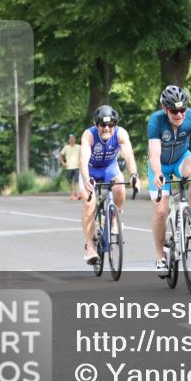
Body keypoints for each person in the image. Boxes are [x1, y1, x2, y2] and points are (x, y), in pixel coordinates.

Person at [147, 85, 191, 276]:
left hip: (180, 159)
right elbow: (154, 152)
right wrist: (158, 172)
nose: (179, 115)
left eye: (182, 110)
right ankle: (160, 256)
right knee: (161, 211)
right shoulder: (155, 121)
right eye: (174, 111)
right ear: (164, 108)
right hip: (160, 165)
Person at [79, 105, 139, 264]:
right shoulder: (89, 135)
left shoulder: (121, 134)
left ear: (115, 124)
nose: (107, 128)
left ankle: (113, 219)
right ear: (96, 124)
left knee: (119, 186)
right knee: (89, 203)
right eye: (102, 124)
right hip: (90, 171)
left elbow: (128, 156)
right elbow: (83, 160)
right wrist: (86, 178)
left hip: (109, 168)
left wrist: (134, 175)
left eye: (111, 124)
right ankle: (90, 248)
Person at [59, 133, 81, 200]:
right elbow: (60, 154)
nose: (72, 140)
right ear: (69, 140)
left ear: (75, 139)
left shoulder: (78, 147)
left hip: (77, 166)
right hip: (69, 167)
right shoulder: (66, 147)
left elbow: (82, 154)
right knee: (70, 182)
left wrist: (81, 162)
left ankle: (78, 194)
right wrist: (63, 162)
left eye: (73, 139)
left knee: (77, 181)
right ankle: (72, 195)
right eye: (70, 139)